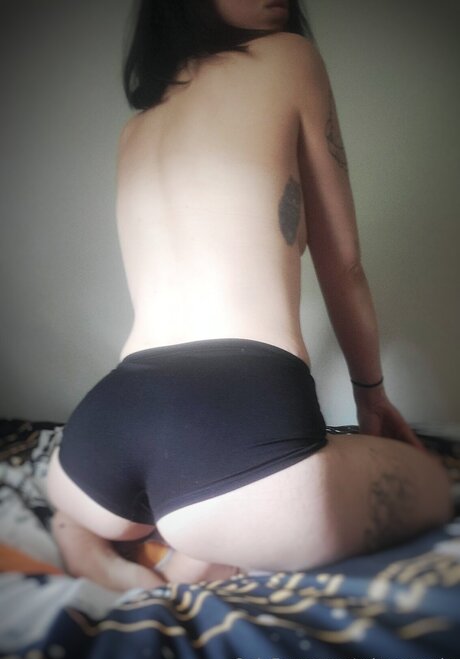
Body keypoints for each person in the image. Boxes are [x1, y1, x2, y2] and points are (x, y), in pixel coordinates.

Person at [46, 0, 453, 592]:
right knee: (433, 484)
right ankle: (203, 556)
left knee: (119, 498)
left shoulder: (136, 127)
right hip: (234, 429)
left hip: (103, 430)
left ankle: (80, 534)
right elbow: (343, 265)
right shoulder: (289, 56)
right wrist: (371, 396)